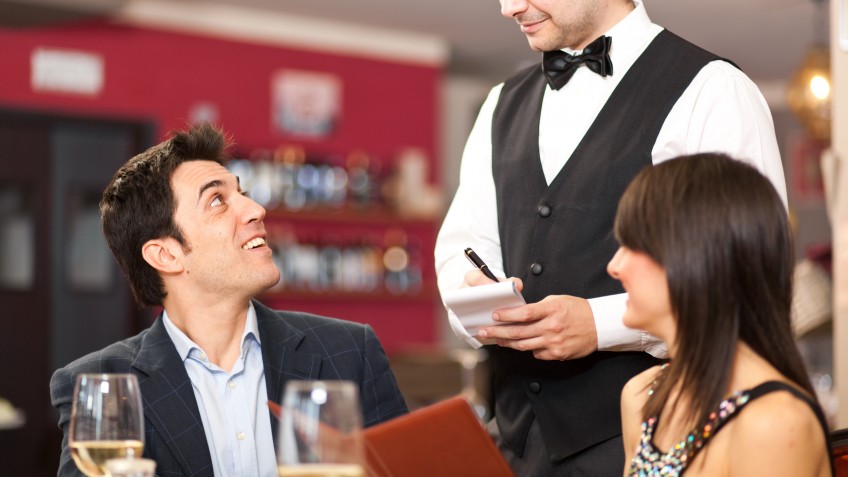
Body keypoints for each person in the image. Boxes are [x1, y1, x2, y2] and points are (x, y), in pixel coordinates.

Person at [434, 0, 786, 474]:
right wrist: (478, 302)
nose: (509, 8)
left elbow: (750, 279)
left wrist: (600, 324)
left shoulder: (713, 90)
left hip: (649, 438)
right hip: (513, 441)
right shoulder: (500, 102)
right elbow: (461, 247)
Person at [50, 122, 408, 477]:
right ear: (166, 256)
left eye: (243, 192)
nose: (256, 210)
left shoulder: (349, 353)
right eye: (217, 200)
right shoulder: (100, 382)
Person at [611, 154, 832, 476]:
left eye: (633, 245)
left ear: (696, 259)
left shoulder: (774, 421)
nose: (615, 266)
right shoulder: (642, 396)